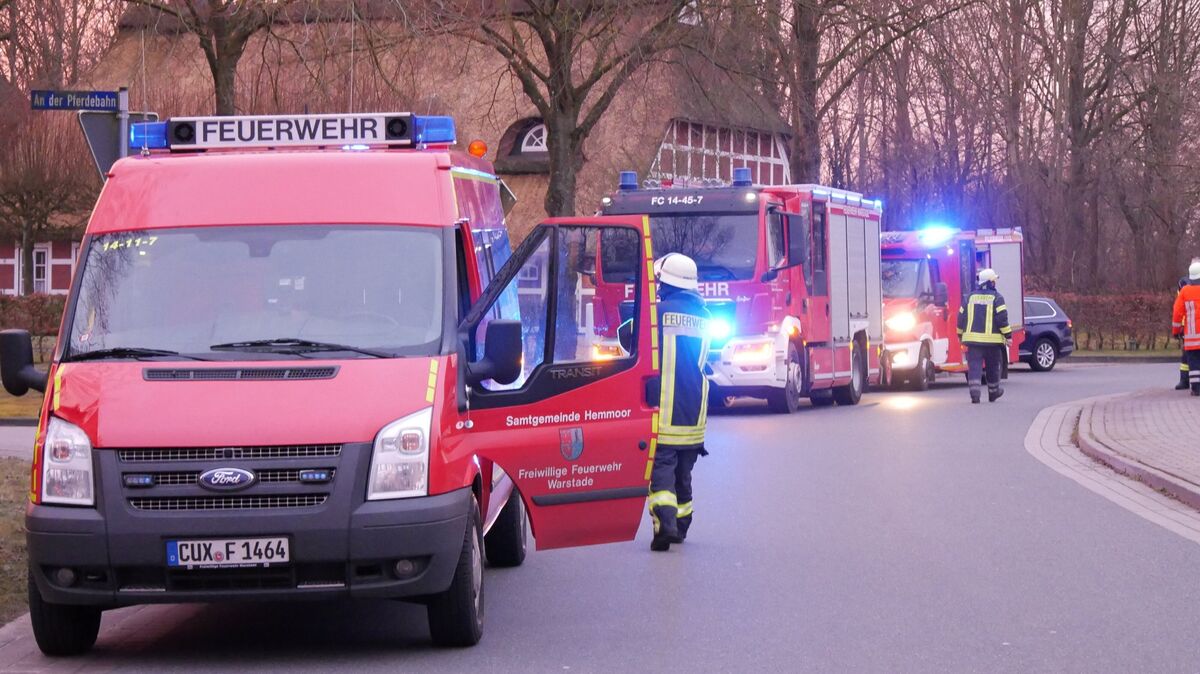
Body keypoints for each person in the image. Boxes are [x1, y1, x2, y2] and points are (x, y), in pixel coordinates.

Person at [646, 252, 711, 552]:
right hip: (694, 410)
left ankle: (665, 526)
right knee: (684, 472)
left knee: (661, 469)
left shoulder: (657, 313)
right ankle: (682, 526)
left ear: (665, 282)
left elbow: (637, 343)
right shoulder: (706, 316)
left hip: (664, 408)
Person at [957, 268, 1013, 404]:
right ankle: (993, 392)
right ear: (989, 283)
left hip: (973, 342)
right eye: (993, 281)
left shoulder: (969, 297)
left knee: (974, 367)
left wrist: (960, 336)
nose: (995, 283)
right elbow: (1002, 319)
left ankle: (975, 395)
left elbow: (961, 318)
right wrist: (1008, 336)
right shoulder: (997, 298)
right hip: (992, 343)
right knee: (993, 366)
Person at [1172, 260, 1200, 395]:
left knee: (1193, 362)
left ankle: (1196, 388)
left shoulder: (1184, 291)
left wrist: (1176, 331)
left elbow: (1177, 313)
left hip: (1192, 336)